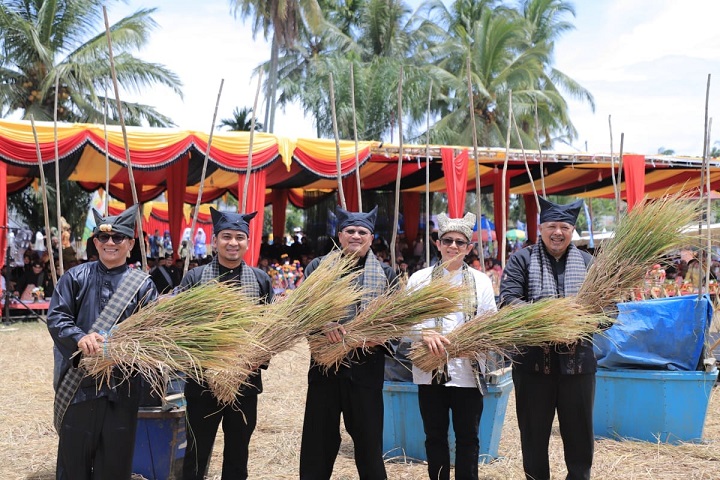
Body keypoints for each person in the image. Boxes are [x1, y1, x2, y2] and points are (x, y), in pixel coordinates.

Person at [46, 204, 158, 480]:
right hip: (79, 387)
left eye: (118, 237)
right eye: (104, 237)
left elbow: (153, 333)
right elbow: (57, 317)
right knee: (73, 466)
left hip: (123, 388)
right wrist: (79, 338)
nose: (110, 243)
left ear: (130, 244)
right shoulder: (74, 277)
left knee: (115, 467)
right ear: (95, 241)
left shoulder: (143, 285)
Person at [499, 197, 595, 480]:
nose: (558, 232)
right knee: (533, 437)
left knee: (580, 439)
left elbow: (609, 311)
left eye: (565, 227)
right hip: (533, 367)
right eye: (552, 225)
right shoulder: (522, 259)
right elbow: (507, 302)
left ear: (572, 231)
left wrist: (582, 320)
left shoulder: (589, 263)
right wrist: (552, 316)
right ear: (540, 228)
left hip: (578, 367)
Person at [299, 206, 398, 480]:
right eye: (350, 231)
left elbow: (397, 325)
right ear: (340, 235)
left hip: (367, 371)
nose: (356, 236)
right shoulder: (318, 268)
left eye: (362, 232)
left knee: (369, 446)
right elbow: (301, 312)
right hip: (325, 371)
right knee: (318, 444)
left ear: (371, 237)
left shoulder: (387, 275)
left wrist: (380, 336)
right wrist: (322, 326)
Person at [180, 207, 274, 480]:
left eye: (239, 237)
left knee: (238, 450)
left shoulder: (260, 280)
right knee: (197, 451)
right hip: (202, 381)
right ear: (215, 241)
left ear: (247, 242)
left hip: (245, 379)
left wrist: (257, 358)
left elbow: (270, 330)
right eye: (226, 237)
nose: (233, 243)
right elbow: (181, 328)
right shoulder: (195, 279)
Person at [409, 212, 497, 480]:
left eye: (461, 242)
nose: (453, 246)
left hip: (468, 374)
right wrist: (423, 333)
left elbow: (491, 322)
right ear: (437, 243)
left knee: (468, 439)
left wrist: (476, 342)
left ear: (469, 248)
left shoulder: (481, 281)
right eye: (447, 240)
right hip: (430, 372)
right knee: (434, 437)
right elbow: (401, 324)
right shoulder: (419, 279)